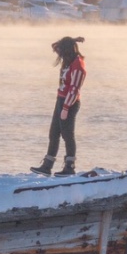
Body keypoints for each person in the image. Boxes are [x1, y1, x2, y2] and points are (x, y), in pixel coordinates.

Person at [32, 36, 85, 175]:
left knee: (67, 135)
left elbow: (74, 89)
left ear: (67, 50)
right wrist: (73, 39)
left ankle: (69, 167)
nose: (59, 52)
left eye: (62, 49)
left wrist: (66, 108)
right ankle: (47, 165)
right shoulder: (68, 60)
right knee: (53, 133)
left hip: (70, 102)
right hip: (60, 100)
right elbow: (54, 45)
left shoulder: (78, 65)